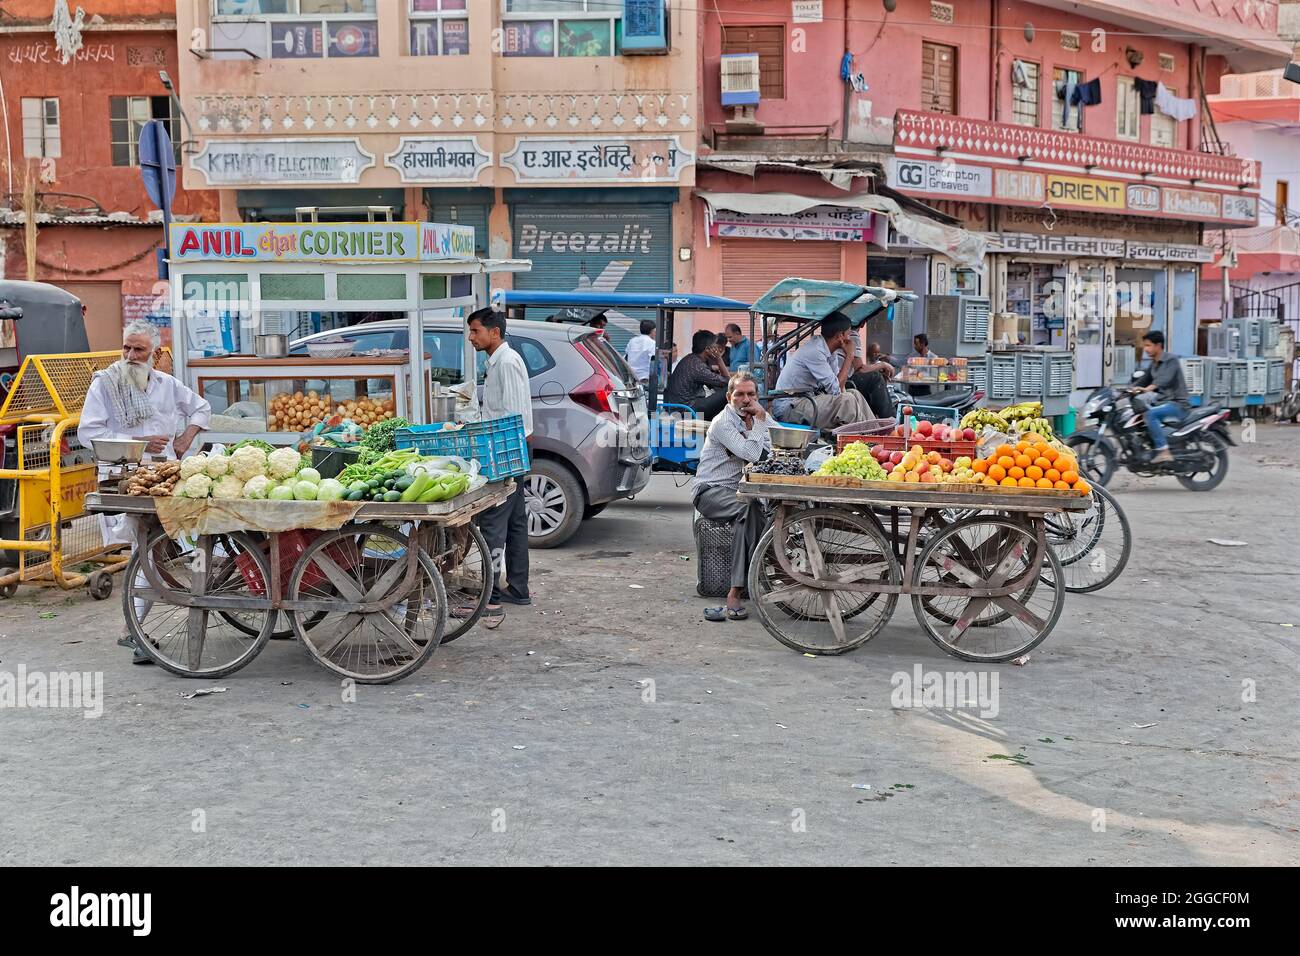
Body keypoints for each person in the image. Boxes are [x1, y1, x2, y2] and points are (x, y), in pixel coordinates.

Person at [80, 319, 212, 665]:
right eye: (126, 347)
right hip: (125, 478)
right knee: (145, 553)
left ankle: (137, 626)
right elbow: (88, 434)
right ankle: (134, 630)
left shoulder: (167, 384)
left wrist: (185, 439)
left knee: (153, 552)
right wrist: (136, 442)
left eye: (139, 349)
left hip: (164, 478)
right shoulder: (106, 384)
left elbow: (201, 408)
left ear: (155, 353)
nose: (130, 355)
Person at [466, 308, 533, 627]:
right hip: (507, 449)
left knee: (494, 524)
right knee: (516, 523)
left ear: (494, 332)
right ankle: (518, 588)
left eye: (475, 331)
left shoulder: (507, 362)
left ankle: (491, 593)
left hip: (506, 451)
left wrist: (505, 460)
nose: (471, 337)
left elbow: (515, 417)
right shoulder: (496, 363)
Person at [693, 372, 771, 622]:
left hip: (742, 496)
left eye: (751, 394)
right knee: (748, 508)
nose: (746, 399)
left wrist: (762, 422)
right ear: (729, 397)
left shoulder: (759, 417)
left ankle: (747, 581)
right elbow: (752, 453)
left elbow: (777, 440)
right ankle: (737, 590)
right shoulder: (722, 423)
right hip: (711, 491)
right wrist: (759, 422)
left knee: (753, 512)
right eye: (740, 394)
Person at [772, 312, 873, 429]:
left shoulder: (831, 351)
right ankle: (865, 438)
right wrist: (850, 356)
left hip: (807, 399)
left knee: (854, 394)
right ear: (840, 336)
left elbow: (839, 387)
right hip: (790, 407)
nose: (850, 340)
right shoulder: (815, 351)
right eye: (848, 335)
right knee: (847, 401)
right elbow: (836, 389)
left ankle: (877, 433)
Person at [1137, 330, 1188, 464]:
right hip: (1163, 402)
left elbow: (1165, 379)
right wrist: (1128, 389)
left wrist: (1148, 388)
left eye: (1148, 345)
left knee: (1150, 414)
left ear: (1158, 345)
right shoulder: (1154, 363)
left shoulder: (1171, 360)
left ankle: (1164, 451)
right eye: (1145, 345)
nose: (1145, 349)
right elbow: (1144, 379)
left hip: (1178, 405)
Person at [663, 329, 731, 420]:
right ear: (707, 349)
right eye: (715, 346)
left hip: (686, 407)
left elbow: (715, 385)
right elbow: (728, 382)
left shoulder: (691, 359)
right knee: (731, 389)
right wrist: (719, 359)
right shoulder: (697, 366)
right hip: (686, 411)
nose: (717, 350)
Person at [625, 319, 657, 386]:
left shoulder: (632, 341)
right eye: (655, 331)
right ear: (652, 331)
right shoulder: (652, 343)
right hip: (645, 379)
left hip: (632, 378)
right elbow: (654, 360)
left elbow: (626, 356)